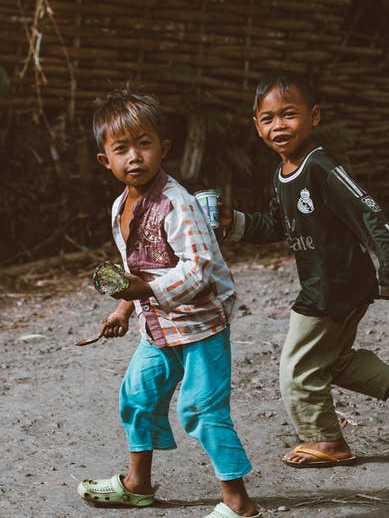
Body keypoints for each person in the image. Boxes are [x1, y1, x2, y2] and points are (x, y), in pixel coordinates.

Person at [221, 72, 389, 468]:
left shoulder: (321, 167)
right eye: (268, 119)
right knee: (334, 360)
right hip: (328, 283)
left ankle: (326, 440)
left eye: (289, 114)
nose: (279, 126)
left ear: (314, 116)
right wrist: (233, 221)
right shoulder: (283, 173)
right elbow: (277, 224)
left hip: (333, 287)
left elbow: (368, 210)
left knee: (296, 370)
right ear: (256, 127)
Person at [77, 90, 261, 518]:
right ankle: (137, 485)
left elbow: (198, 270)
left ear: (165, 148)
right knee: (136, 397)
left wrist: (139, 293)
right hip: (159, 327)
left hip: (201, 328)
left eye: (144, 144)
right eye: (121, 149)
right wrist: (123, 309)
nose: (135, 157)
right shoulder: (121, 205)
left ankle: (240, 504)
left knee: (200, 408)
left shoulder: (179, 204)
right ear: (105, 160)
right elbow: (132, 266)